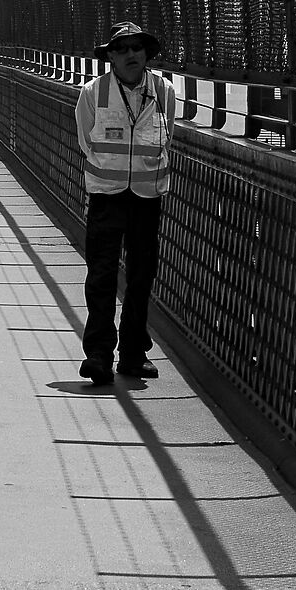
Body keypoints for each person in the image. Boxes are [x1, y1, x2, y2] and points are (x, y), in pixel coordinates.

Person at [73, 21, 175, 388]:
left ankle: (134, 353)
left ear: (146, 53)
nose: (132, 54)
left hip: (147, 197)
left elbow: (168, 136)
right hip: (107, 195)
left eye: (138, 47)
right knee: (101, 275)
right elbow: (86, 140)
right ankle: (98, 355)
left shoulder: (164, 90)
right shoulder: (93, 92)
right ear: (111, 57)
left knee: (141, 276)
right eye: (123, 48)